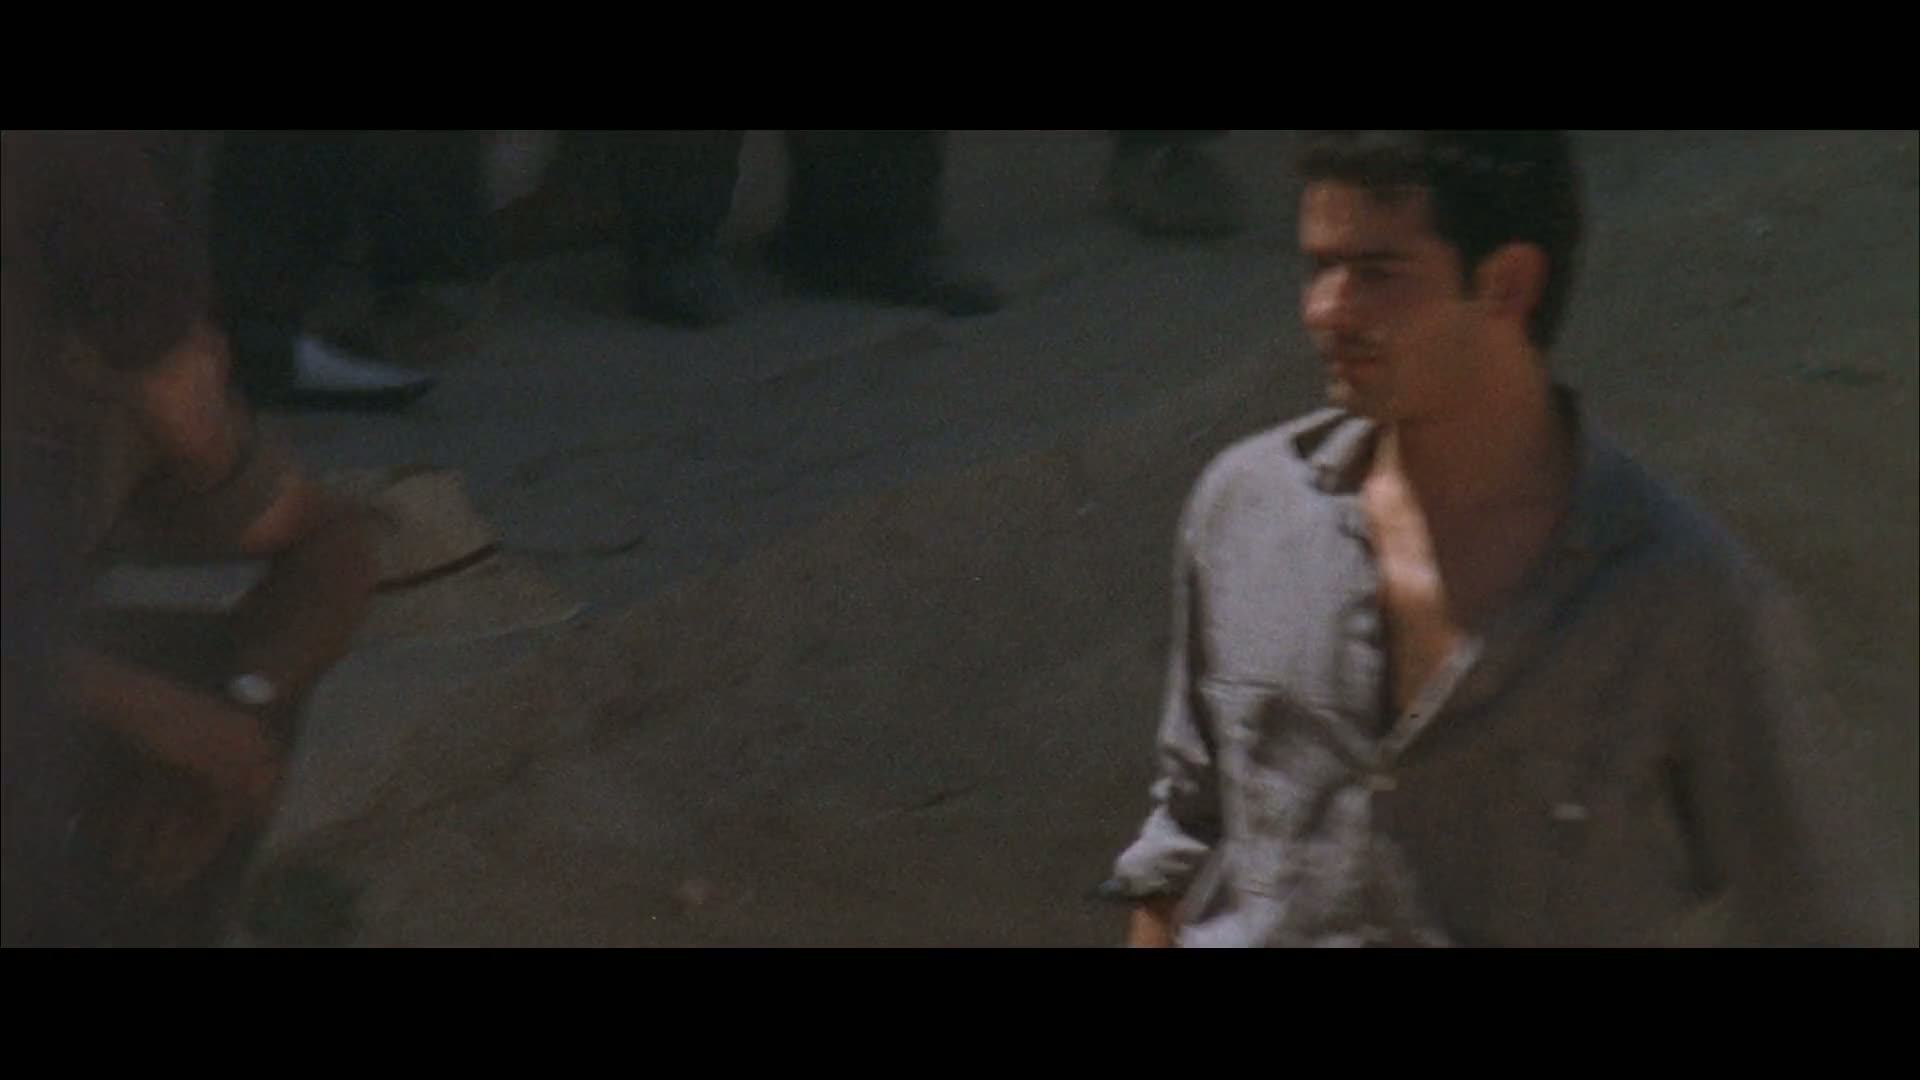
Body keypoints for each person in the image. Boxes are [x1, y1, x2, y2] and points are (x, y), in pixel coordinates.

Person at [1100, 130, 1902, 947]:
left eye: (1376, 273)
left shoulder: (1677, 594)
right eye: (1319, 268)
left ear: (1507, 283)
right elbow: (1186, 836)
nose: (1325, 310)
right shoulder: (1249, 513)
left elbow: (1818, 907)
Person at [2, 130, 378, 946]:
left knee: (215, 700)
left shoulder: (133, 371)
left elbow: (332, 540)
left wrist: (243, 703)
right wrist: (140, 707)